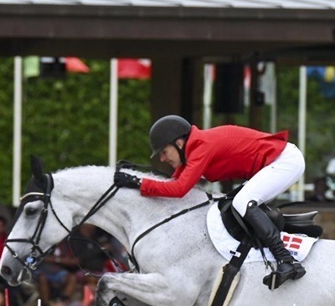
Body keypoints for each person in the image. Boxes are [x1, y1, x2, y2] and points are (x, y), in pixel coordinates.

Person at [114, 115, 306, 288]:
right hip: (275, 163)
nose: (163, 159)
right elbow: (171, 184)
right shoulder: (194, 148)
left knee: (242, 202)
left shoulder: (201, 147)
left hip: (285, 161)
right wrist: (136, 183)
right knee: (235, 205)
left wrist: (138, 182)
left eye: (164, 152)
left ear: (179, 143)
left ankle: (286, 260)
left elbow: (179, 189)